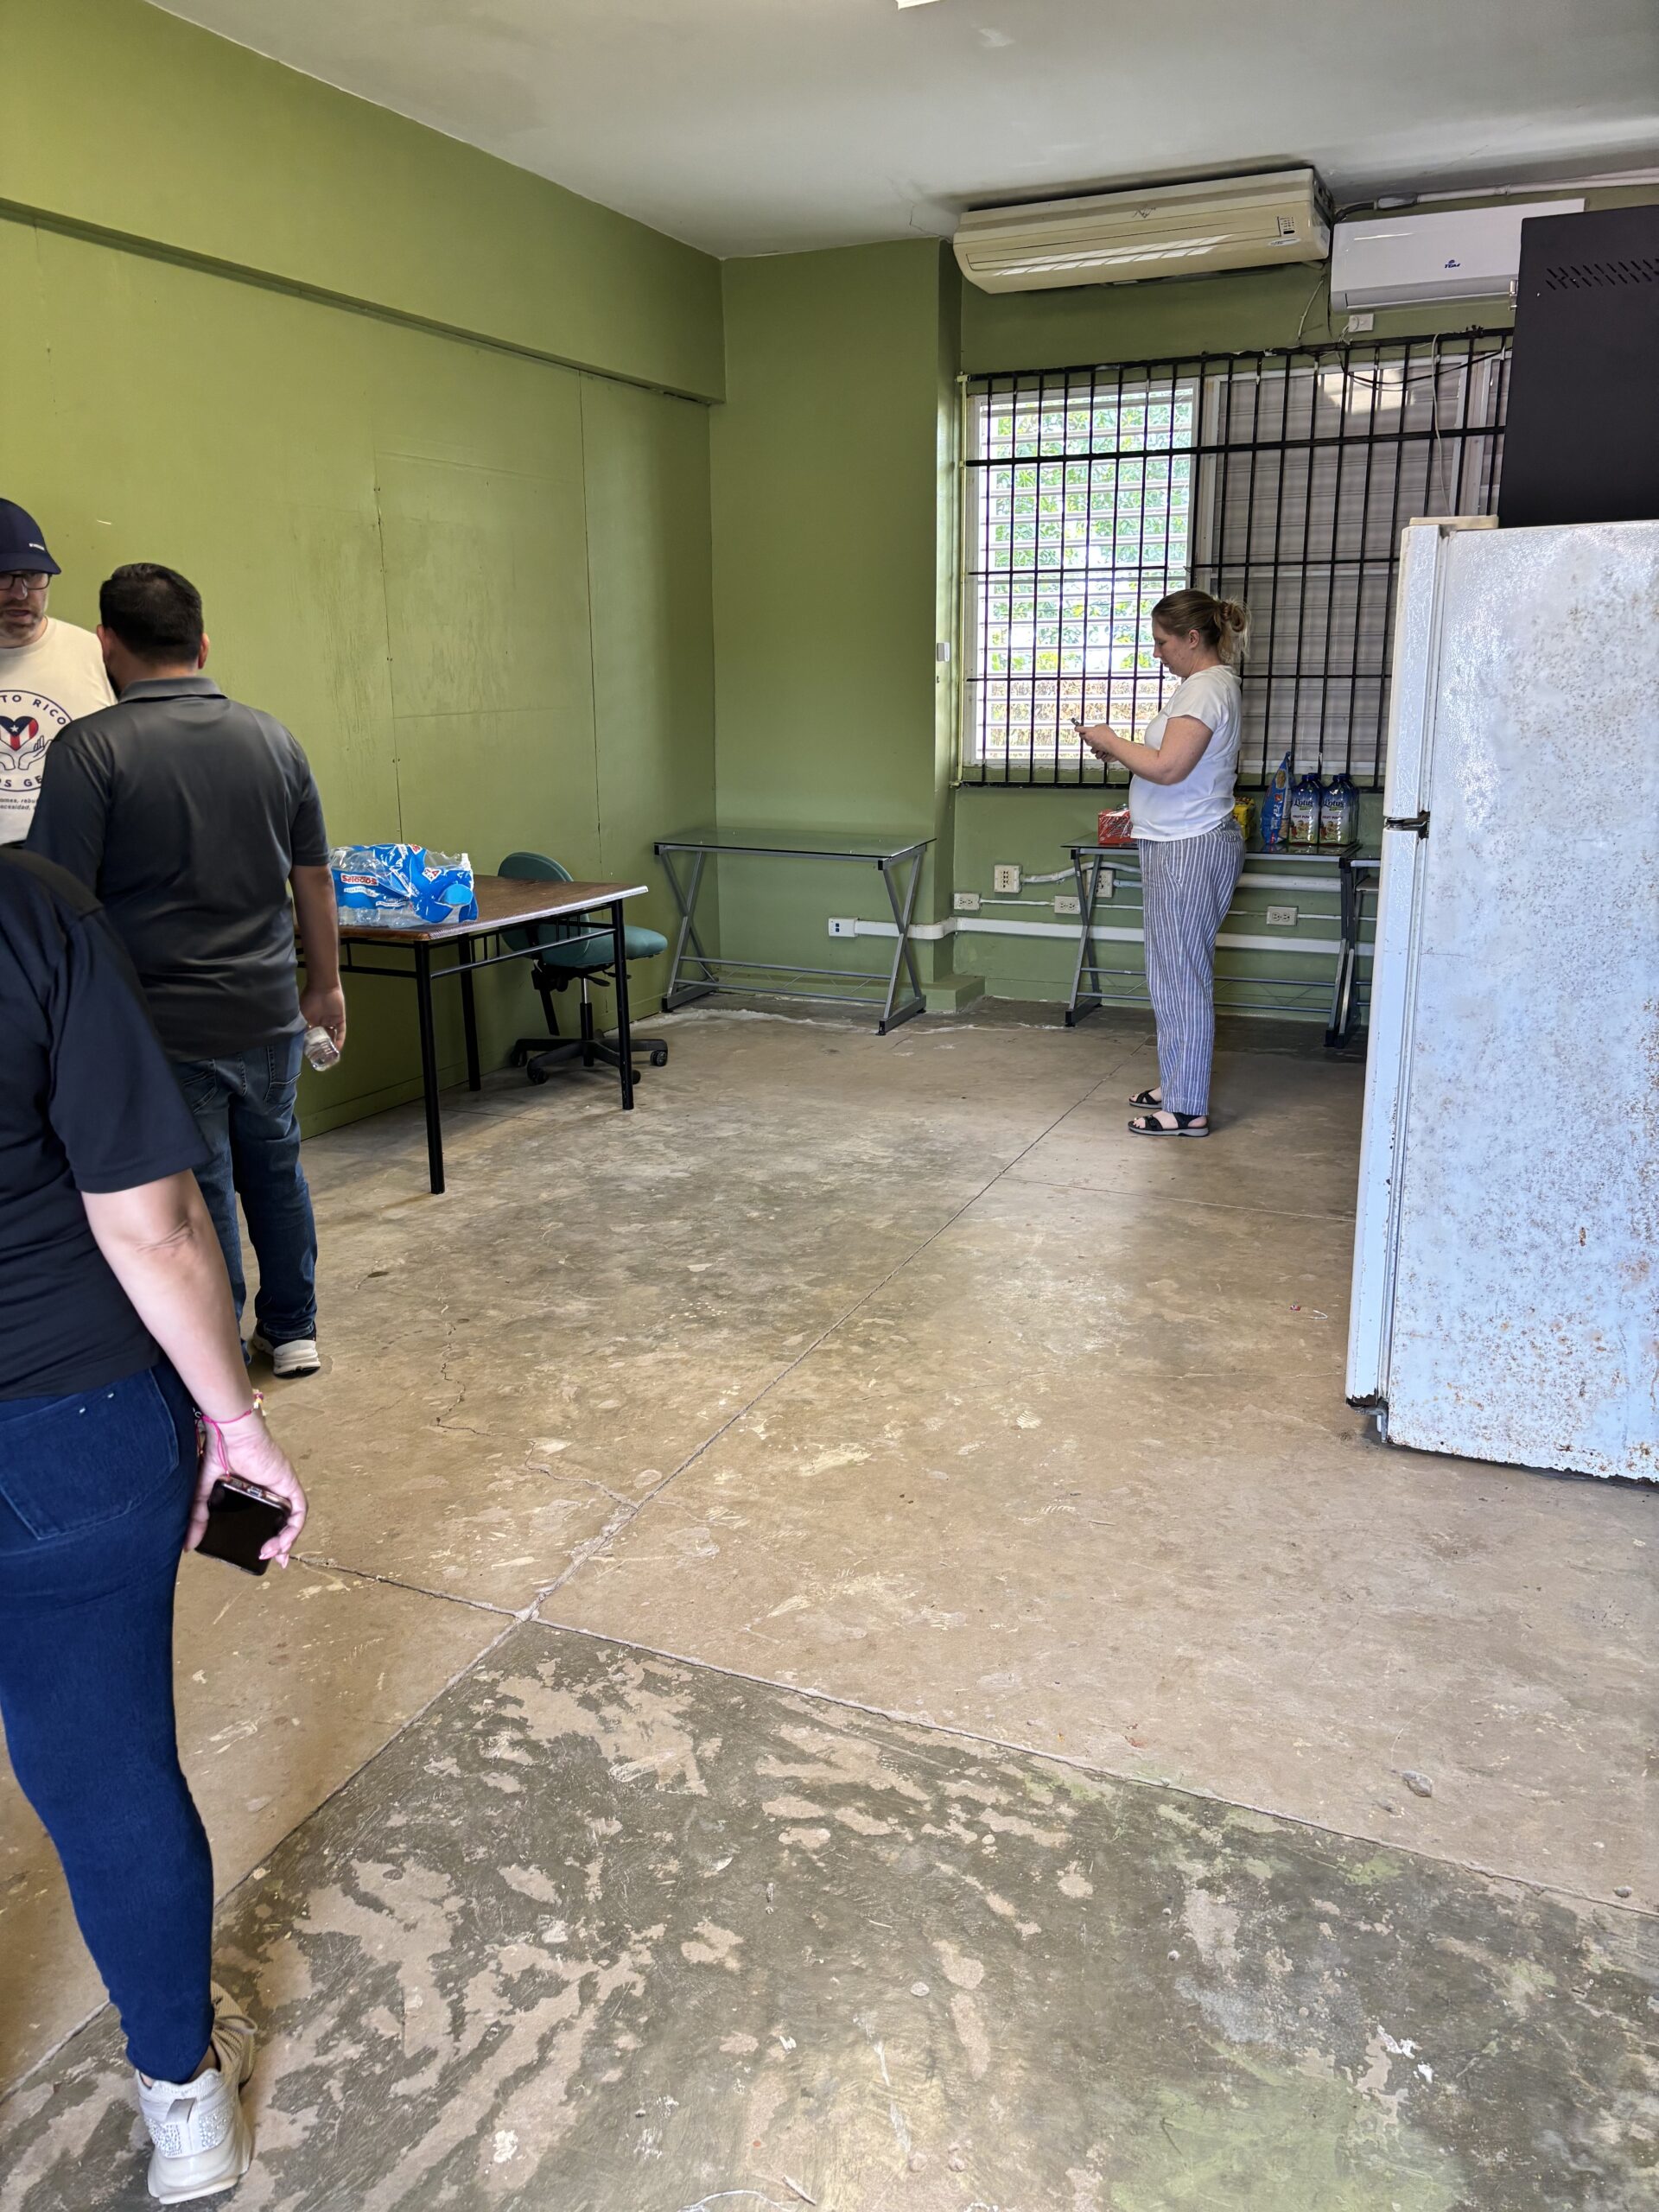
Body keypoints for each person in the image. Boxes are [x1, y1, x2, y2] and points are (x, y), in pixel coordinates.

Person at [0, 845, 307, 2202]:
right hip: (65, 1421)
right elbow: (155, 1224)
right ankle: (184, 2100)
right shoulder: (29, 910)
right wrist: (236, 1427)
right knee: (108, 1771)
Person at [28, 563, 346, 1380]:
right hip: (271, 1015)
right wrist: (326, 985)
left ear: (107, 645)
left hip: (159, 1029)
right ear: (202, 644)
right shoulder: (275, 739)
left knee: (195, 1198)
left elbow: (61, 901)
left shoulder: (88, 751)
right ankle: (295, 1328)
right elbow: (313, 876)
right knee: (276, 1168)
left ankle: (223, 1353)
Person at [1077, 589, 1249, 1138]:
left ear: (1192, 638)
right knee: (1171, 972)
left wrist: (1111, 739)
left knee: (1180, 977)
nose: (1157, 653)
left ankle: (1187, 1106)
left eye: (1161, 642)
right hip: (1178, 841)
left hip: (1189, 845)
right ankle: (1180, 1080)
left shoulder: (1205, 690)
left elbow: (1169, 768)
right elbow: (1166, 765)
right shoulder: (1200, 689)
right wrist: (1121, 753)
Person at [0, 499, 115, 842]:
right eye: (3, 576)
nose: (21, 594)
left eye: (34, 576)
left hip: (76, 876)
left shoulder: (98, 655)